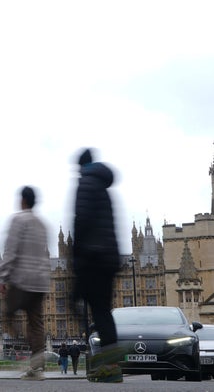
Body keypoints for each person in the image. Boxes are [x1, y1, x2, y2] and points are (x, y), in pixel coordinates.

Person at [72, 148, 122, 383]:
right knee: (103, 312)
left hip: (93, 257)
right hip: (109, 257)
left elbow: (81, 220)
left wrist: (76, 256)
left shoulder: (86, 184)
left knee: (98, 312)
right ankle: (111, 366)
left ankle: (109, 369)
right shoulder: (103, 187)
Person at [0, 186, 50, 380]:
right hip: (41, 282)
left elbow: (11, 251)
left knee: (7, 314)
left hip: (22, 281)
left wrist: (3, 277)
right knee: (36, 324)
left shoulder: (18, 220)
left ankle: (19, 344)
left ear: (23, 201)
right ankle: (37, 367)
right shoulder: (42, 224)